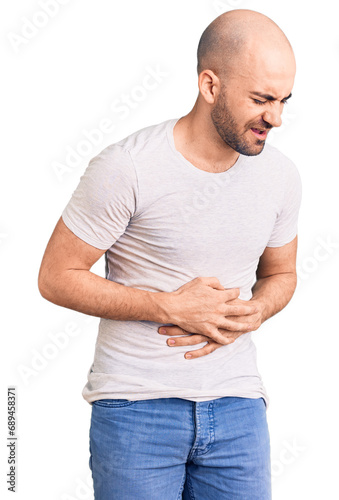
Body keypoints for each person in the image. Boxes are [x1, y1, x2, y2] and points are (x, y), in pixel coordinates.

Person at [38, 8, 301, 500]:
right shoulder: (127, 167)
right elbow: (56, 276)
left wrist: (257, 308)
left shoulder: (281, 177)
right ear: (209, 86)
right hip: (136, 407)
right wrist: (167, 306)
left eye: (285, 100)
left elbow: (282, 273)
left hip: (239, 405)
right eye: (262, 99)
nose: (277, 118)